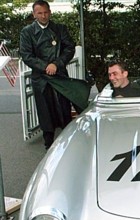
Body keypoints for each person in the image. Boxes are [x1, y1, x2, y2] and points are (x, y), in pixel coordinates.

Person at [20, 0, 76, 149]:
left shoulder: (59, 29)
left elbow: (69, 48)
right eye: (40, 13)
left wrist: (56, 64)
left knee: (64, 109)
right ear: (34, 14)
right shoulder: (27, 32)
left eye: (46, 12)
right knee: (45, 112)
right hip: (41, 78)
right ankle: (48, 146)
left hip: (59, 75)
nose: (43, 16)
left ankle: (69, 143)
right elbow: (26, 55)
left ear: (50, 12)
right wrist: (45, 67)